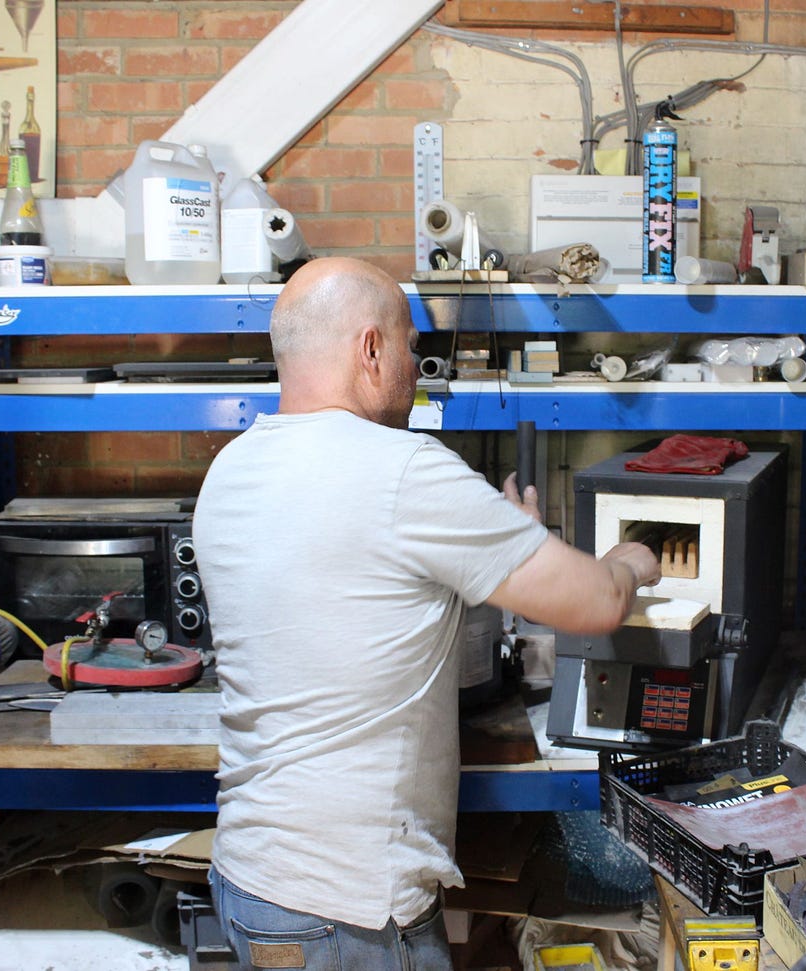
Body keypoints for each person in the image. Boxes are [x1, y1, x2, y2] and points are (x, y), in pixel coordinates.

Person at [193, 256, 661, 970]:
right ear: (371, 349)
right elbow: (594, 602)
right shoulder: (405, 470)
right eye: (413, 346)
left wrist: (495, 541)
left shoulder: (229, 469)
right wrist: (632, 559)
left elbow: (357, 593)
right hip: (349, 910)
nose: (419, 367)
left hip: (252, 881)